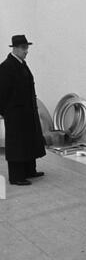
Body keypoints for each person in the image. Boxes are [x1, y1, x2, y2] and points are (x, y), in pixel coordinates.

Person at [0, 35, 46, 186]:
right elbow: (2, 93)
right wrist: (6, 112)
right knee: (17, 144)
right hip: (15, 115)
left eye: (27, 48)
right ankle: (16, 177)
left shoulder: (21, 64)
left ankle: (29, 170)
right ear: (15, 48)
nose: (27, 51)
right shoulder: (6, 67)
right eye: (24, 48)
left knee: (28, 141)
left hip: (27, 113)